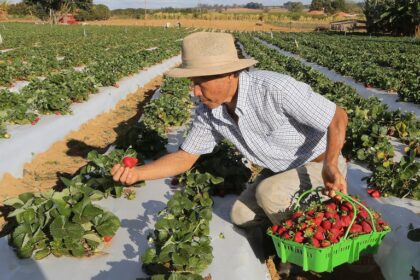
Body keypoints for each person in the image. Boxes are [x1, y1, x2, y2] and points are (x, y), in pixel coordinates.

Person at [111, 31, 348, 237]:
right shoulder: (209, 112)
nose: (194, 91)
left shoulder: (275, 89)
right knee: (240, 214)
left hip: (320, 165)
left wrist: (330, 164)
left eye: (201, 82)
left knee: (270, 193)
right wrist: (137, 173)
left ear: (230, 74)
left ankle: (313, 241)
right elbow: (185, 157)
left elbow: (338, 117)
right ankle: (284, 233)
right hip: (282, 171)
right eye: (192, 82)